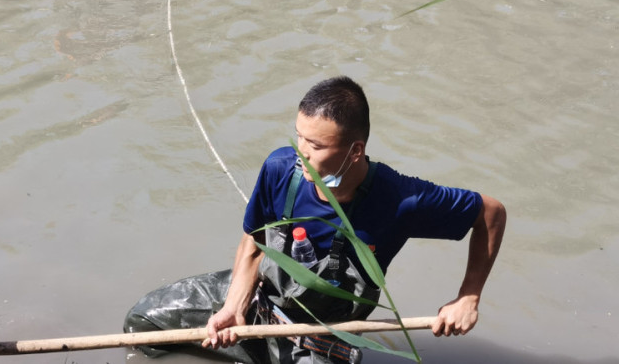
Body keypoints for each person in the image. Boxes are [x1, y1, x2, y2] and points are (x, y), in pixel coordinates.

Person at [124, 76, 507, 364]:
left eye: (317, 146)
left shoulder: (400, 200)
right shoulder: (279, 168)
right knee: (141, 322)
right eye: (299, 137)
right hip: (259, 302)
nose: (301, 153)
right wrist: (234, 307)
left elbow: (490, 213)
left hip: (319, 339)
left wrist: (468, 296)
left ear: (355, 150)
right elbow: (254, 243)